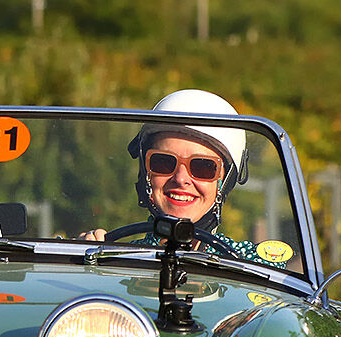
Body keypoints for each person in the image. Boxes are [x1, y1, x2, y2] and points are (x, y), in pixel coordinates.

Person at [82, 90, 290, 268]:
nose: (181, 179)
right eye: (163, 162)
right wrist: (85, 264)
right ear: (146, 173)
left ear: (224, 182)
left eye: (203, 167)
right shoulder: (112, 259)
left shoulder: (255, 266)